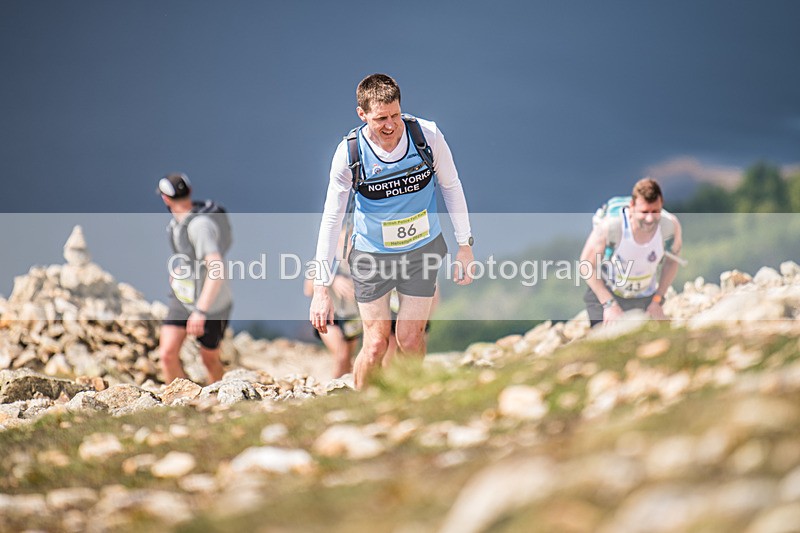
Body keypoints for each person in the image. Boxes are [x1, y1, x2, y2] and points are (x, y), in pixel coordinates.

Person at [309, 73, 474, 389]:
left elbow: (451, 186)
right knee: (375, 343)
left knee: (410, 339)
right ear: (362, 115)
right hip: (372, 255)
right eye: (380, 118)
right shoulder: (349, 154)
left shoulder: (428, 136)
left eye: (396, 115)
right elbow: (331, 219)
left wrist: (464, 246)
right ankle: (362, 402)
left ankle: (409, 401)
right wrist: (321, 288)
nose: (390, 125)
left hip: (421, 251)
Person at [157, 172, 233, 384]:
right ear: (190, 191)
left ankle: (224, 396)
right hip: (184, 297)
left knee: (209, 360)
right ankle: (182, 400)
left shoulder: (200, 226)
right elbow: (191, 258)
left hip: (212, 303)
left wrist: (201, 311)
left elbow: (216, 268)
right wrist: (180, 271)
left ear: (165, 198)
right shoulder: (175, 225)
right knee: (167, 354)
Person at [580, 177, 683, 327]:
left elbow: (672, 262)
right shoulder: (611, 227)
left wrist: (658, 299)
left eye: (655, 211)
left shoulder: (669, 226)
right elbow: (586, 265)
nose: (649, 218)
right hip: (607, 293)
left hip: (646, 295)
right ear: (632, 206)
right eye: (644, 212)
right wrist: (609, 305)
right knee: (607, 344)